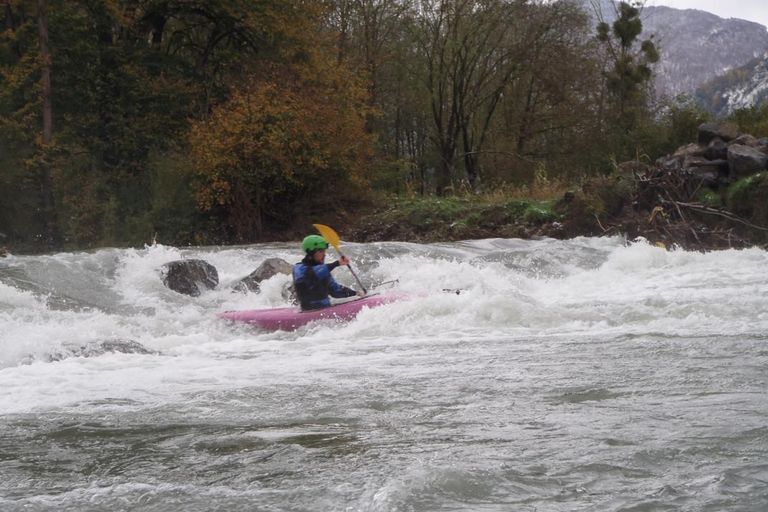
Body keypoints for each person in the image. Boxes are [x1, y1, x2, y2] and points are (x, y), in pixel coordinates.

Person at [293, 234, 360, 310]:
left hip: (324, 311)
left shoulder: (324, 272)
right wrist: (337, 263)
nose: (324, 254)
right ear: (310, 253)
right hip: (308, 311)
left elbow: (336, 291)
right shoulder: (298, 268)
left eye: (324, 251)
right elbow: (311, 274)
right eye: (321, 251)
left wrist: (356, 293)